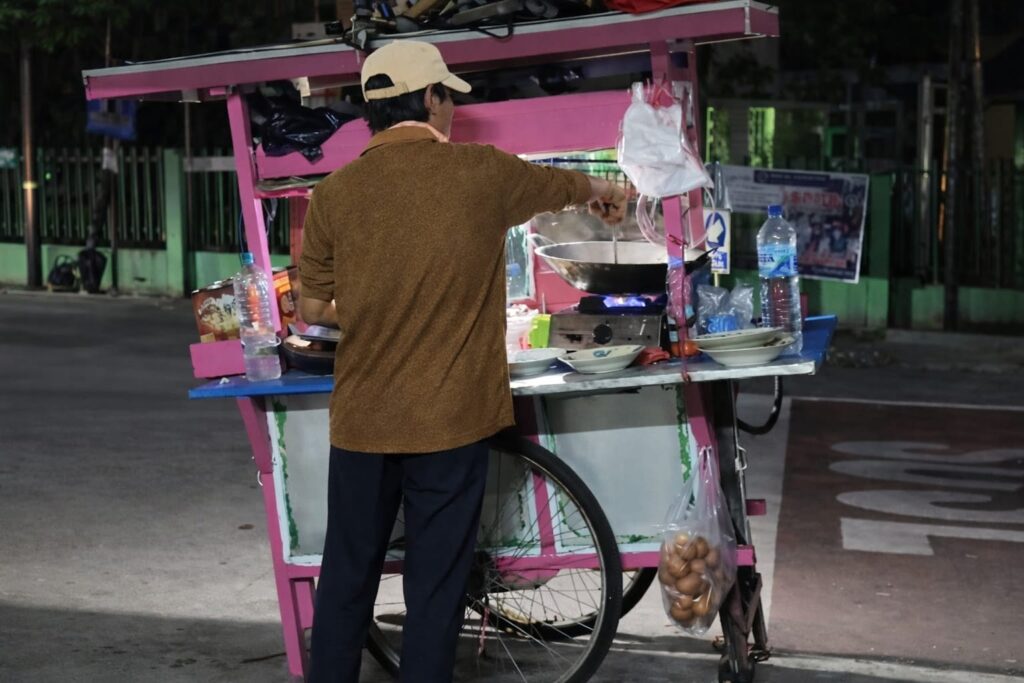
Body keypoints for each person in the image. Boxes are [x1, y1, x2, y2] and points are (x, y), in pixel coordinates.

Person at [298, 40, 627, 683]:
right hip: (448, 421)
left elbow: (313, 305)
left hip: (362, 420)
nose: (450, 110)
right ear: (430, 99)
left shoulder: (334, 193)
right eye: (447, 97)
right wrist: (605, 189)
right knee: (435, 587)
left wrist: (367, 309)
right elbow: (562, 184)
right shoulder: (482, 172)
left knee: (345, 578)